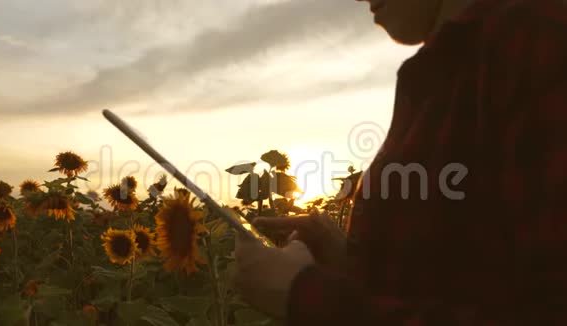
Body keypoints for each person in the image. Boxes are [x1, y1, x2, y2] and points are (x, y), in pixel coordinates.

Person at [235, 0, 567, 324]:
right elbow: (465, 282)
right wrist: (352, 266)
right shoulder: (444, 70)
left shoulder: (535, 42)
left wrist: (303, 294)